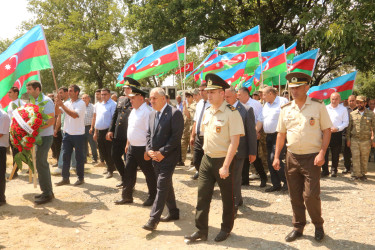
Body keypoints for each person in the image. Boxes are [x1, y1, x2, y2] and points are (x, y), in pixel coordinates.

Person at [273, 72, 332, 242]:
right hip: (292, 157)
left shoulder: (318, 106)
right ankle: (298, 226)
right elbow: (280, 134)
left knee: (310, 195)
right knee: (295, 195)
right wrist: (277, 156)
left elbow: (327, 130)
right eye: (292, 88)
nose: (294, 91)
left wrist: (322, 153)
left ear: (307, 87)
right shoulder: (286, 109)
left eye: (298, 87)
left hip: (312, 158)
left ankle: (318, 224)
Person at [185, 74, 244, 243]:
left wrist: (225, 166)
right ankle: (201, 230)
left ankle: (226, 229)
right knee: (202, 196)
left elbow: (234, 142)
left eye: (212, 92)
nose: (208, 95)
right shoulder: (208, 111)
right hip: (207, 159)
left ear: (221, 93)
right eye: (207, 92)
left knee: (227, 198)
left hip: (224, 160)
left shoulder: (232, 113)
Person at [142, 87, 184, 231]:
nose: (151, 101)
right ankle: (173, 212)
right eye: (150, 98)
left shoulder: (175, 113)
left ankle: (153, 220)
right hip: (155, 157)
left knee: (160, 185)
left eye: (153, 98)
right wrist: (149, 150)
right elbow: (148, 134)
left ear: (162, 98)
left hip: (168, 157)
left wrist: (162, 152)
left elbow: (175, 137)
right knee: (166, 185)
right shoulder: (152, 114)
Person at [114, 82, 157, 206]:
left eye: (133, 98)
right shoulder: (134, 111)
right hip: (132, 147)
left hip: (143, 148)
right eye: (130, 98)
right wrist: (128, 143)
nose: (130, 100)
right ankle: (127, 196)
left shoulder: (148, 112)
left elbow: (151, 133)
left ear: (141, 98)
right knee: (129, 172)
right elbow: (131, 129)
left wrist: (148, 150)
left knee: (149, 173)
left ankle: (153, 197)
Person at [224, 86, 256, 212]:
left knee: (235, 178)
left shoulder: (246, 110)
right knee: (229, 177)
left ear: (235, 95)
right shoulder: (224, 109)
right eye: (224, 97)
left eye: (228, 97)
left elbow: (251, 132)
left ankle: (234, 204)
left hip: (240, 150)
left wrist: (252, 151)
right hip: (225, 149)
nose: (226, 99)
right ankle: (238, 199)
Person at [26, 81, 56, 204]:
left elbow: (51, 120)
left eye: (30, 89)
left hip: (45, 137)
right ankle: (47, 191)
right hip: (38, 137)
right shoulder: (34, 101)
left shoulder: (46, 101)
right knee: (39, 162)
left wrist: (35, 129)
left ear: (37, 89)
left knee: (41, 162)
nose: (28, 92)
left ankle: (47, 193)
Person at [257, 86, 289, 192]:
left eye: (264, 95)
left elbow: (289, 116)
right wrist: (256, 131)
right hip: (268, 136)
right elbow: (260, 120)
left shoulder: (282, 101)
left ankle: (287, 182)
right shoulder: (266, 105)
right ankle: (276, 184)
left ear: (271, 93)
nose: (262, 97)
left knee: (275, 158)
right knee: (269, 160)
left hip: (279, 135)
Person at [55, 85, 86, 186]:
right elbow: (57, 112)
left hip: (78, 135)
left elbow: (74, 115)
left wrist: (62, 106)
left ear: (77, 92)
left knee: (79, 158)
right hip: (67, 134)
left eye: (71, 91)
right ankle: (65, 178)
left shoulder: (81, 103)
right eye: (68, 91)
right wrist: (57, 103)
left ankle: (80, 178)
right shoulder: (67, 103)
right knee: (65, 157)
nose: (69, 93)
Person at [237, 87, 267, 187]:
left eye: (239, 94)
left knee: (255, 156)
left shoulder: (255, 104)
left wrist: (256, 132)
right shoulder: (238, 105)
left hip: (254, 133)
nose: (238, 96)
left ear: (246, 95)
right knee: (244, 157)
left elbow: (260, 118)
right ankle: (245, 180)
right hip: (242, 134)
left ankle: (263, 177)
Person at [107, 82, 133, 187]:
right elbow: (115, 116)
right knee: (115, 156)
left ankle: (130, 183)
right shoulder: (121, 99)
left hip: (129, 135)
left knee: (130, 160)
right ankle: (124, 177)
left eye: (128, 88)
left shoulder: (135, 100)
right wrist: (111, 130)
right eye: (125, 88)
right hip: (118, 133)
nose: (125, 90)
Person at [346, 96, 375, 181]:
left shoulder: (371, 114)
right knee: (355, 157)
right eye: (358, 102)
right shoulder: (352, 114)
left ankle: (362, 174)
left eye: (361, 102)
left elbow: (374, 127)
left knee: (364, 158)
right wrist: (348, 139)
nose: (359, 104)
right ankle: (356, 174)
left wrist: (373, 140)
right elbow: (349, 128)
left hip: (366, 140)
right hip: (355, 139)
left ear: (365, 103)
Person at [322, 92, 349, 177]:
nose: (334, 101)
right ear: (330, 99)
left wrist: (337, 128)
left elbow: (346, 123)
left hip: (337, 133)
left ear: (339, 100)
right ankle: (325, 170)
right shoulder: (325, 108)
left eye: (336, 99)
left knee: (335, 153)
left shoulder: (343, 109)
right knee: (324, 152)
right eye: (332, 99)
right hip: (326, 133)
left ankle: (334, 170)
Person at [52, 87, 77, 175]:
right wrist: (56, 129)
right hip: (63, 128)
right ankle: (74, 165)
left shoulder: (72, 102)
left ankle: (61, 166)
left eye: (61, 93)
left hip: (71, 129)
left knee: (64, 147)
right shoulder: (63, 103)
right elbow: (58, 115)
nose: (60, 95)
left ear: (67, 93)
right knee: (69, 148)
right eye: (59, 93)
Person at [93, 88, 117, 178]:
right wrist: (95, 132)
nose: (103, 96)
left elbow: (113, 119)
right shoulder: (98, 105)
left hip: (108, 131)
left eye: (105, 94)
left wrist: (110, 131)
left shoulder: (113, 104)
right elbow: (96, 119)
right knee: (102, 151)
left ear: (109, 94)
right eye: (102, 94)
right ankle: (110, 166)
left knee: (109, 151)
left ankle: (110, 169)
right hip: (99, 131)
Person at [190, 83, 211, 180]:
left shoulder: (213, 104)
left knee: (209, 160)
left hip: (209, 137)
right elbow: (195, 121)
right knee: (196, 160)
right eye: (200, 90)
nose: (201, 92)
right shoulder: (199, 104)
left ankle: (207, 178)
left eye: (203, 90)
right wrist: (192, 135)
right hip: (198, 136)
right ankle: (201, 171)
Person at [6, 87, 25, 177]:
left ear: (16, 93)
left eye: (10, 92)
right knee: (14, 150)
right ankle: (15, 169)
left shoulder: (21, 103)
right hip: (11, 129)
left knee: (16, 151)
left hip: (18, 130)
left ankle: (15, 170)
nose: (8, 94)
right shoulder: (10, 103)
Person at [179, 91, 196, 166]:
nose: (187, 98)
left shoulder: (194, 106)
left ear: (193, 97)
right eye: (186, 97)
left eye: (189, 97)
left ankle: (193, 160)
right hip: (185, 128)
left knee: (192, 145)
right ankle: (182, 160)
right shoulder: (186, 106)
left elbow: (189, 116)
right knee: (183, 144)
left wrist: (185, 107)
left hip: (191, 128)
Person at [82, 94, 98, 164]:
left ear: (89, 98)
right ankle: (84, 159)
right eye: (82, 98)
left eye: (85, 98)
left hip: (90, 127)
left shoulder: (92, 107)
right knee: (83, 144)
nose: (84, 100)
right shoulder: (81, 107)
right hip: (82, 128)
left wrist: (92, 127)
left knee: (92, 144)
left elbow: (94, 117)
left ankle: (95, 158)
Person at [343, 95, 357, 174]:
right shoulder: (345, 110)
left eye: (353, 100)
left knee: (355, 152)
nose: (351, 102)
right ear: (347, 101)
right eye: (350, 101)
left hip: (356, 134)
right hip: (346, 134)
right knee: (346, 151)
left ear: (355, 101)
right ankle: (346, 167)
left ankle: (355, 168)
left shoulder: (359, 110)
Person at [0, 108, 10, 206]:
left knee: (0, 174)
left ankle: (1, 199)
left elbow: (1, 134)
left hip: (1, 148)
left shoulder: (3, 116)